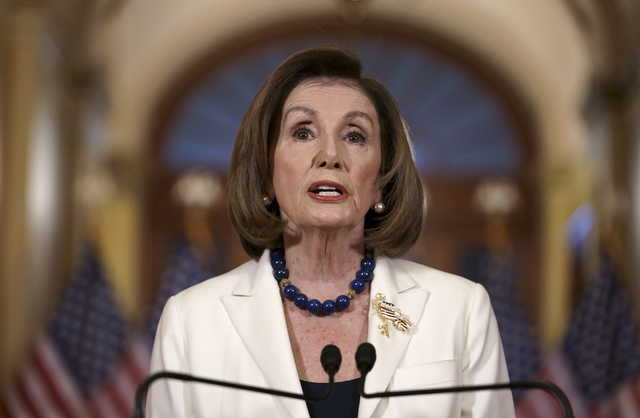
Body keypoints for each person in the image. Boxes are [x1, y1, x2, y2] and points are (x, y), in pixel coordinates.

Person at [147, 48, 515, 417]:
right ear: (266, 173)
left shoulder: (457, 311)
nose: (330, 154)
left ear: (381, 183)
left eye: (355, 136)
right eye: (303, 132)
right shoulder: (193, 321)